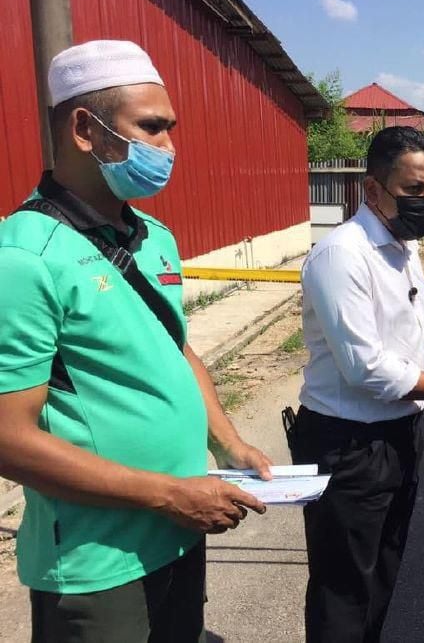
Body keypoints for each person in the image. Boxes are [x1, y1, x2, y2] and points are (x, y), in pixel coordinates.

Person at [0, 40, 273, 642]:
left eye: (170, 129)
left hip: (178, 534)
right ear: (84, 129)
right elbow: (7, 438)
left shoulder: (154, 237)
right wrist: (166, 495)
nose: (169, 148)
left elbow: (174, 346)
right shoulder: (23, 257)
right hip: (99, 564)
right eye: (151, 128)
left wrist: (228, 446)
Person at [293, 126, 424, 642]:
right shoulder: (344, 255)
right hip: (347, 446)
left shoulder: (403, 246)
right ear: (373, 189)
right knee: (343, 591)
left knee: (382, 575)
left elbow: (412, 342)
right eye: (414, 190)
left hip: (397, 436)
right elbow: (366, 368)